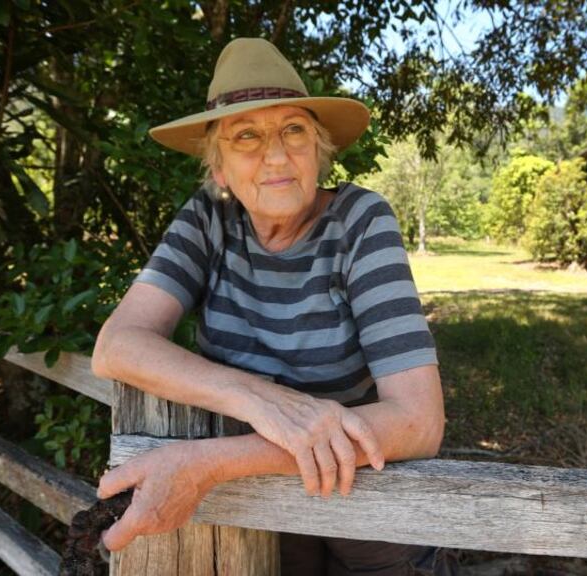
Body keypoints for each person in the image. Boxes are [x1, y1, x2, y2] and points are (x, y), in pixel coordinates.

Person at [90, 37, 455, 575]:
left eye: (293, 131)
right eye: (247, 136)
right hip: (258, 506)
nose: (278, 156)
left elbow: (419, 421)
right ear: (219, 168)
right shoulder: (209, 219)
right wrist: (267, 403)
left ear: (318, 149)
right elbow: (117, 346)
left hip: (368, 503)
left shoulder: (360, 221)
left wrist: (210, 463)